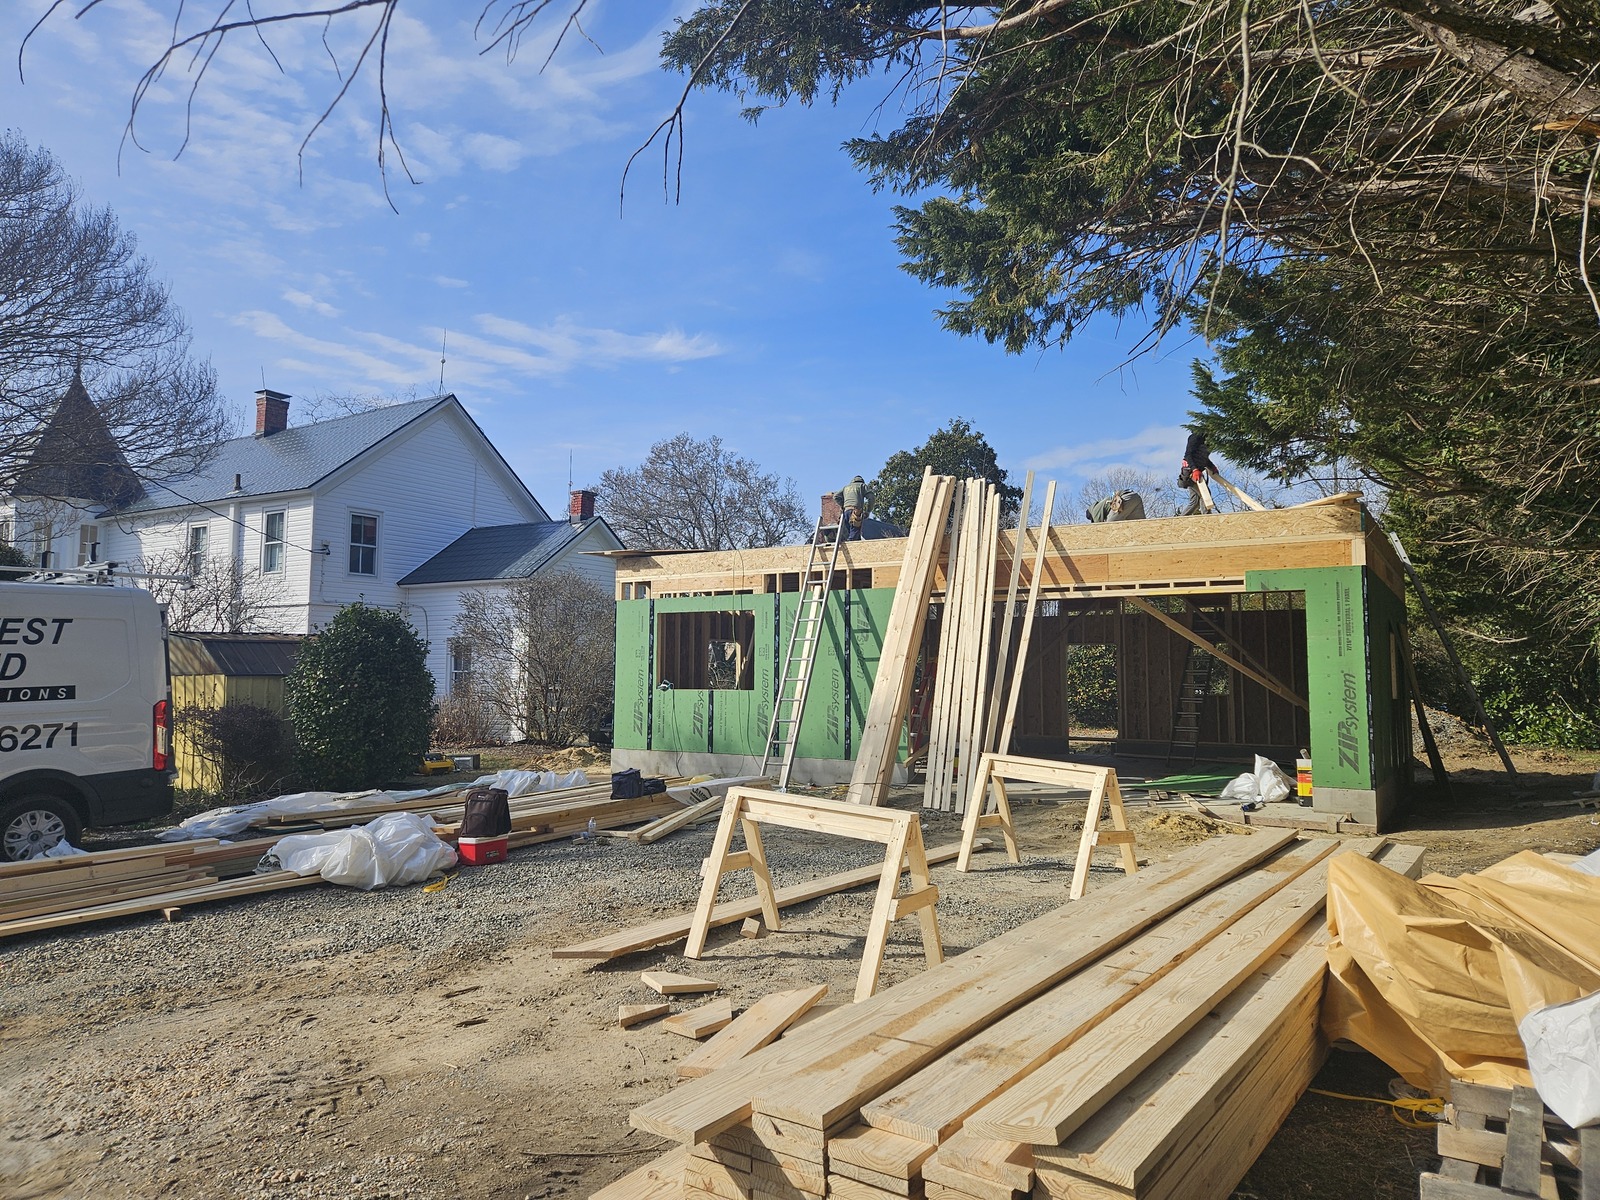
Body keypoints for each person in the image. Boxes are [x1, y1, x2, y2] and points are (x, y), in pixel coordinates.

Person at [1178, 429, 1217, 515]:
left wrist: (1211, 466)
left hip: (1197, 471)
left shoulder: (1209, 441)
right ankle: (1207, 519)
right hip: (1191, 471)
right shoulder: (1195, 437)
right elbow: (1188, 455)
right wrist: (1194, 469)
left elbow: (1203, 458)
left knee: (1194, 501)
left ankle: (1180, 520)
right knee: (1205, 494)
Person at [835, 475, 869, 540]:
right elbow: (871, 498)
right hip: (856, 511)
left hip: (846, 511)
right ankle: (851, 544)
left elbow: (835, 496)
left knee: (852, 532)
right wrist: (868, 511)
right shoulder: (862, 486)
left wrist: (843, 504)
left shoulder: (846, 487)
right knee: (855, 530)